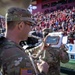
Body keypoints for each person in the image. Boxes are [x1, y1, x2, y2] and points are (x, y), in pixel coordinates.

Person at [0, 7, 49, 75]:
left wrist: (41, 47)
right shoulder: (19, 58)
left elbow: (25, 52)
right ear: (21, 25)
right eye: (30, 25)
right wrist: (43, 71)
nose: (30, 29)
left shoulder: (4, 45)